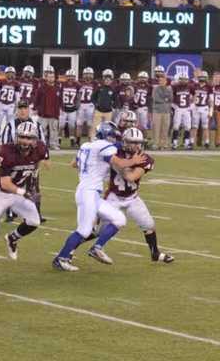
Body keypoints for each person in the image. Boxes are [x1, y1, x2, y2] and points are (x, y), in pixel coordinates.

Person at [52, 122, 146, 271]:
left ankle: (96, 247)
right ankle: (61, 258)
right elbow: (120, 163)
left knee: (119, 219)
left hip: (91, 192)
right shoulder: (104, 145)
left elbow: (73, 164)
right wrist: (134, 161)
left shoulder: (85, 146)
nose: (115, 139)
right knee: (84, 230)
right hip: (88, 192)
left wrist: (94, 166)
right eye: (113, 136)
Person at [78, 128, 174, 263]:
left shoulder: (145, 159)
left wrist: (119, 166)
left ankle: (155, 253)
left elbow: (131, 177)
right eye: (132, 142)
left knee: (148, 225)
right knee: (99, 231)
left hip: (132, 197)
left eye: (138, 142)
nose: (136, 146)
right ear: (124, 141)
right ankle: (71, 248)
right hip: (113, 197)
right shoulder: (114, 150)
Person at [0, 122, 47, 260]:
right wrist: (25, 193)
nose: (24, 141)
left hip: (19, 192)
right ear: (16, 137)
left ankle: (12, 238)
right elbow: (5, 184)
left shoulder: (40, 148)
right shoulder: (6, 151)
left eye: (28, 138)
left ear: (35, 140)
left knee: (34, 221)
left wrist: (33, 186)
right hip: (2, 194)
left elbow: (35, 166)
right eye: (22, 137)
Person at [34, 67, 60, 149]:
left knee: (54, 130)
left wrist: (59, 112)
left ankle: (54, 144)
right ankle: (41, 144)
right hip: (43, 113)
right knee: (41, 130)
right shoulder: (41, 88)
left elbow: (60, 100)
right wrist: (36, 108)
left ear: (54, 78)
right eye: (49, 77)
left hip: (54, 113)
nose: (51, 78)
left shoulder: (58, 88)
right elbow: (36, 99)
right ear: (46, 78)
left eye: (52, 77)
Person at [171, 72, 193, 150]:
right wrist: (174, 106)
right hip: (178, 108)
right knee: (176, 126)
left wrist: (191, 105)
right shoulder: (175, 87)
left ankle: (186, 143)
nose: (183, 81)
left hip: (186, 109)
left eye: (185, 79)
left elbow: (194, 95)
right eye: (182, 79)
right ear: (179, 79)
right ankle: (174, 142)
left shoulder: (190, 87)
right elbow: (171, 97)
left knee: (188, 126)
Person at [151, 75, 172, 150]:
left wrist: (165, 100)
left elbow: (170, 98)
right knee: (156, 127)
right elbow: (156, 99)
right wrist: (165, 100)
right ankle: (155, 143)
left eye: (163, 81)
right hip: (157, 110)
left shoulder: (169, 89)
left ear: (166, 81)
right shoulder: (155, 89)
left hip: (166, 111)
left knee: (165, 128)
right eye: (160, 81)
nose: (161, 82)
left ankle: (163, 143)